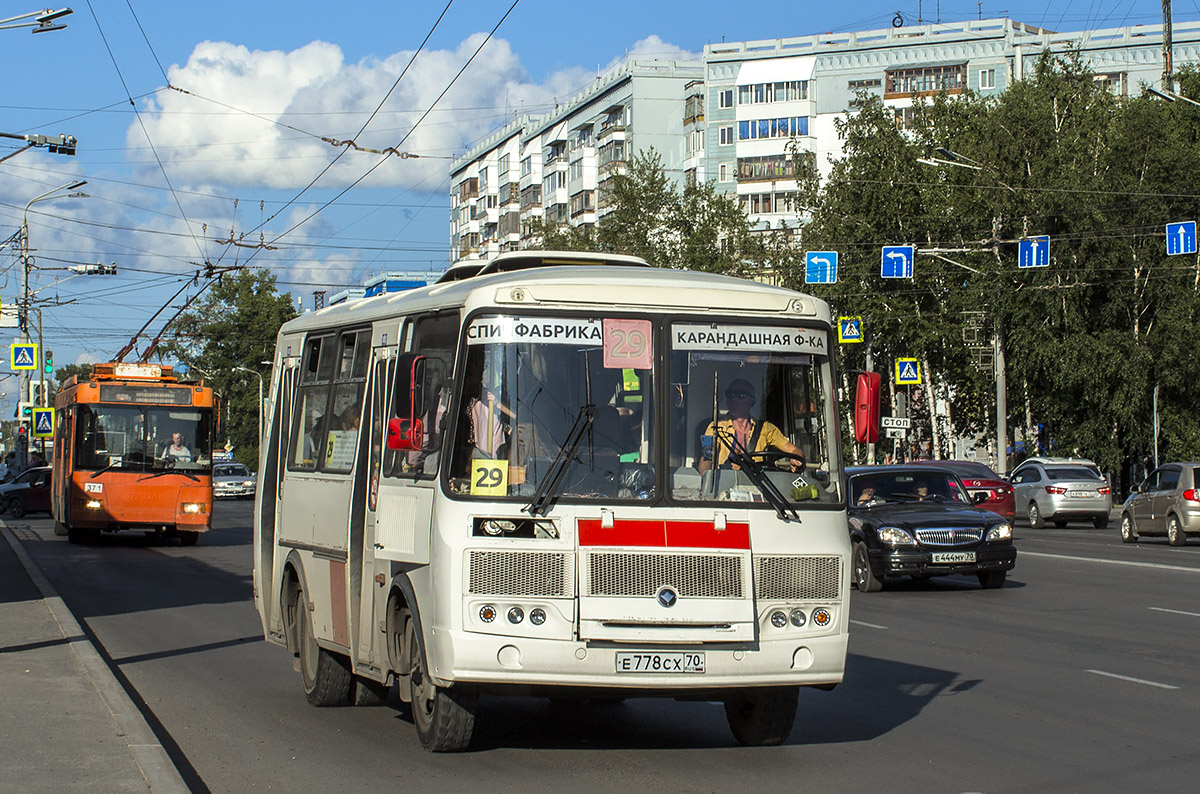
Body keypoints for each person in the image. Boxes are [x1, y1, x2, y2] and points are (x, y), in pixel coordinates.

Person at [698, 378, 805, 475]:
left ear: (752, 401)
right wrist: (705, 477)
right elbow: (707, 458)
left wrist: (797, 459)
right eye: (730, 394)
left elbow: (795, 451)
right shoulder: (715, 427)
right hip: (725, 486)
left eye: (741, 395)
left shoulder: (766, 428)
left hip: (757, 486)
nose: (734, 399)